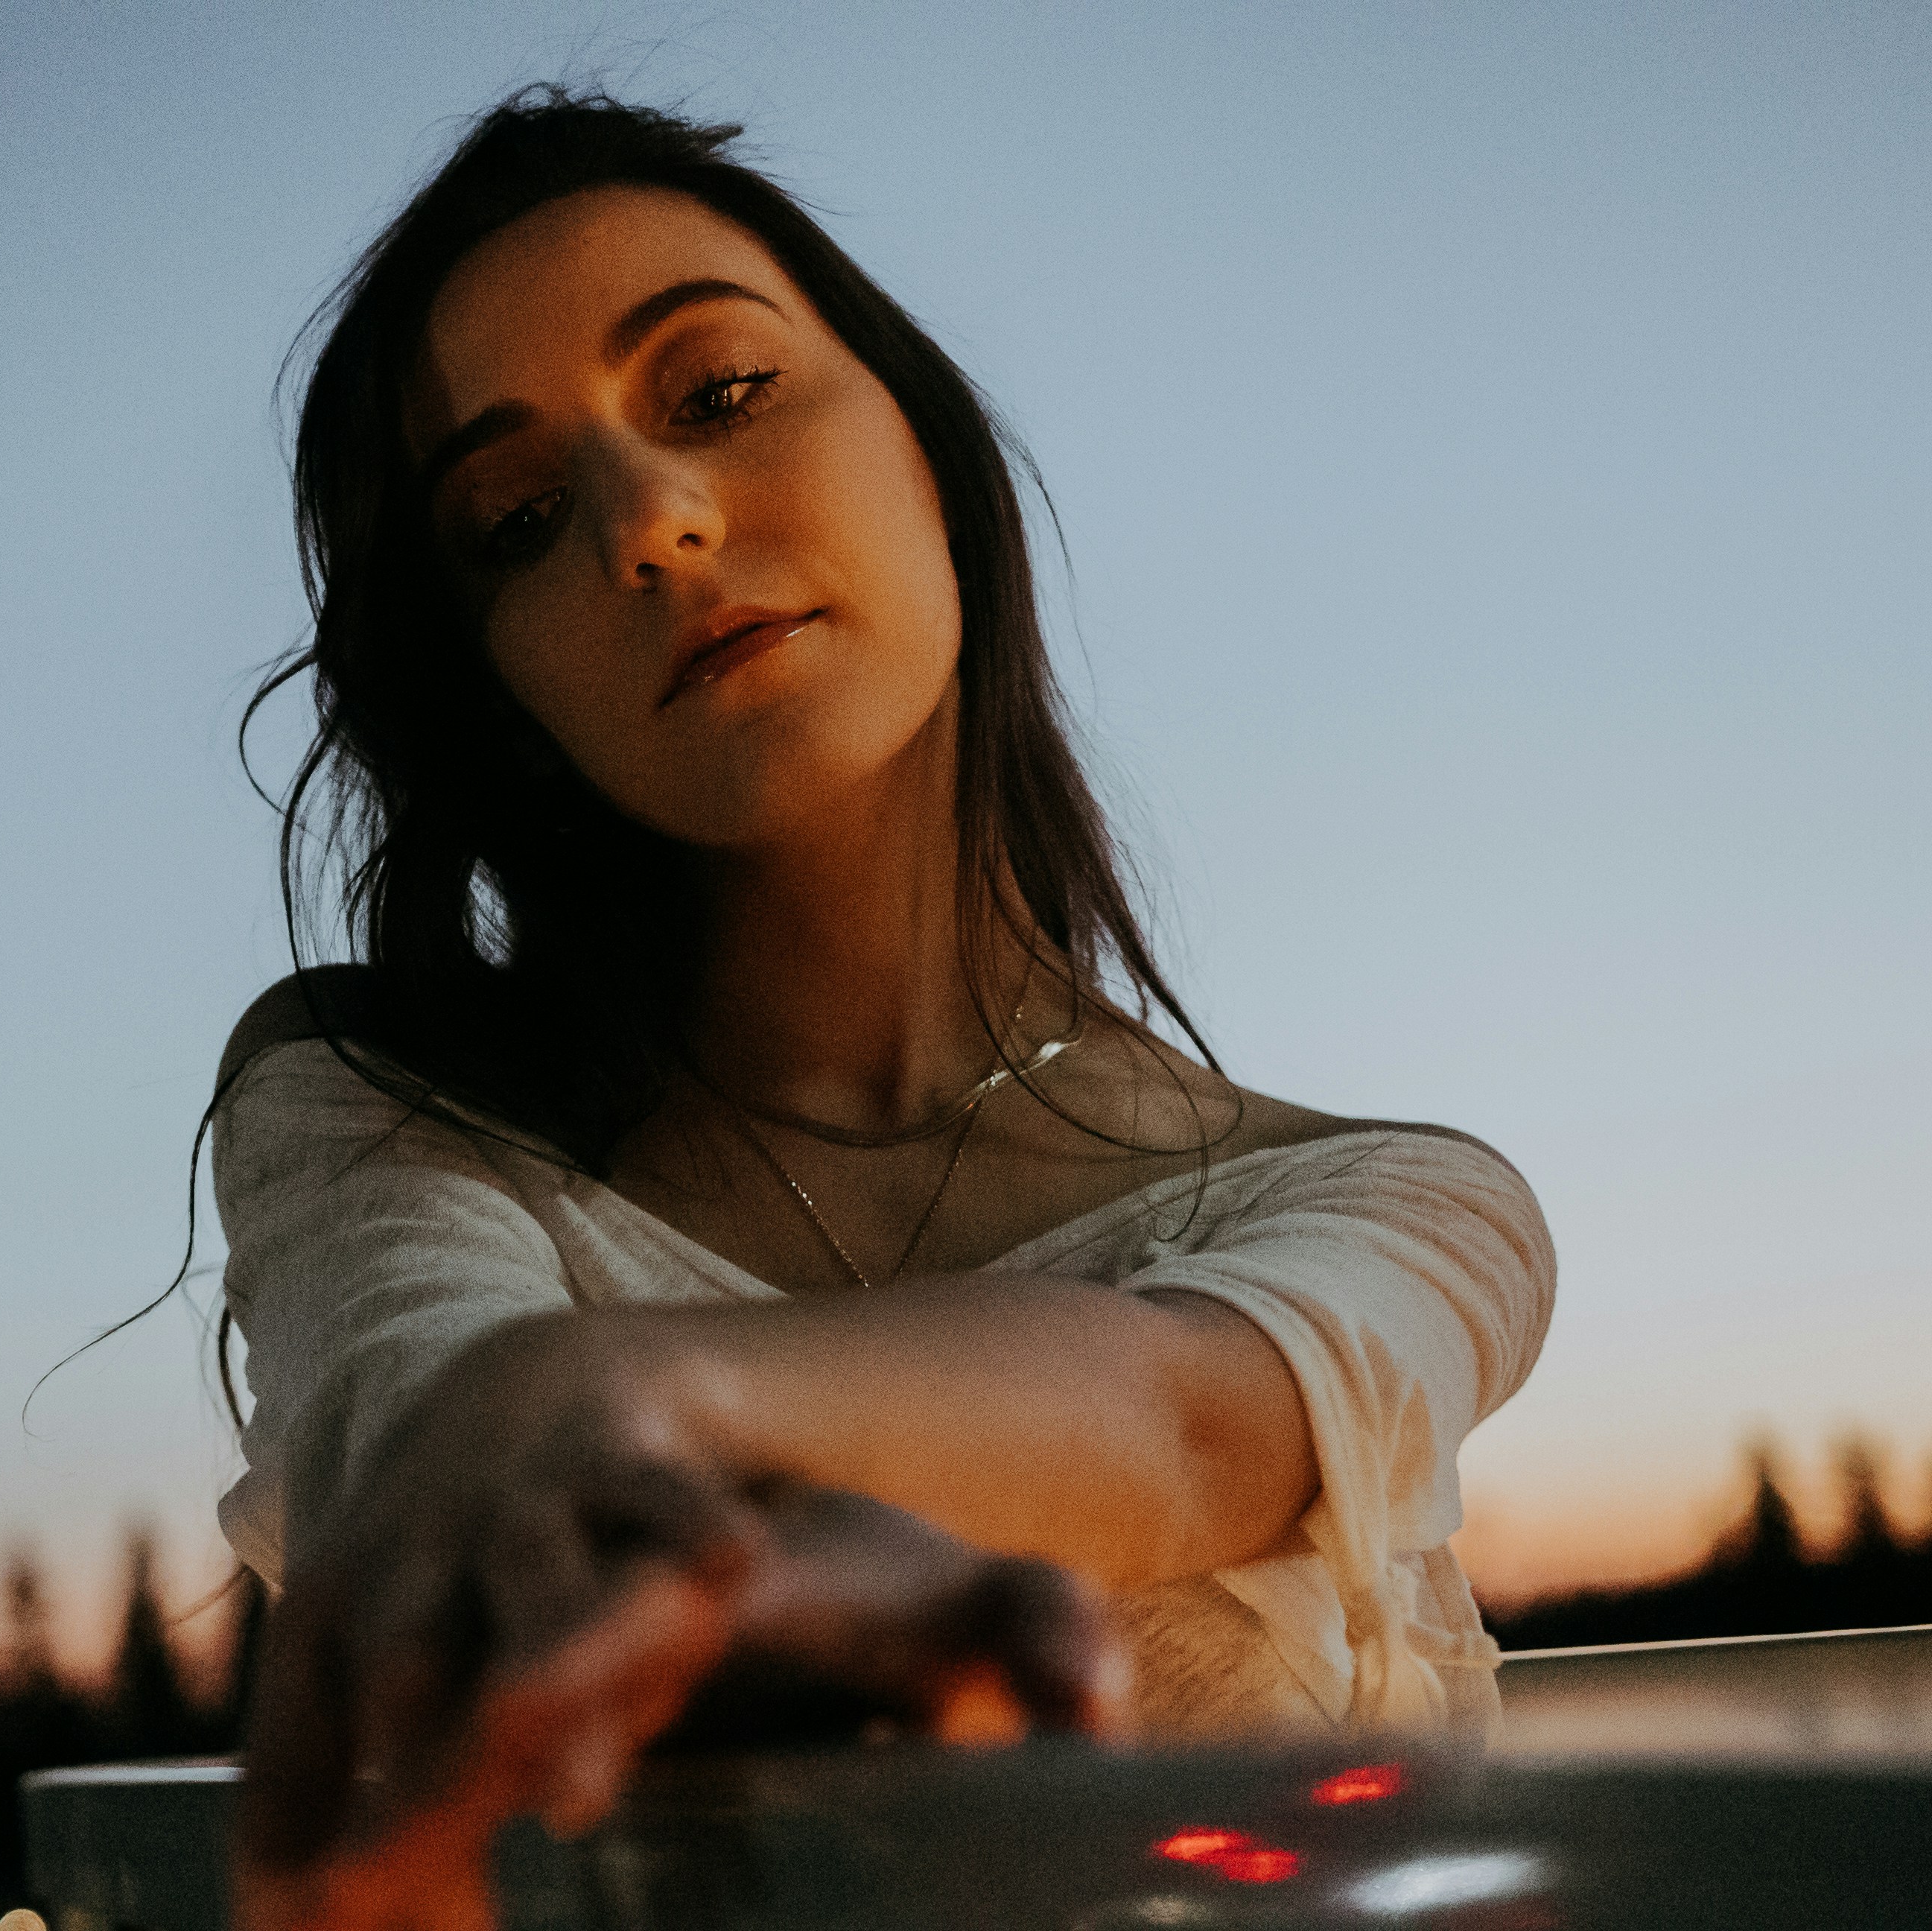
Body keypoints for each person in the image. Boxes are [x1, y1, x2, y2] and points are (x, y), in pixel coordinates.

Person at [206, 91, 1554, 1931]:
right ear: (498, 686)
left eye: (718, 394)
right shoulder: (376, 1103)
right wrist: (684, 1533)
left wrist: (635, 1386)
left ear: (924, 441)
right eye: (519, 518)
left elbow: (1178, 1431)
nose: (654, 522)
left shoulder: (1410, 1205)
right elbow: (442, 1442)